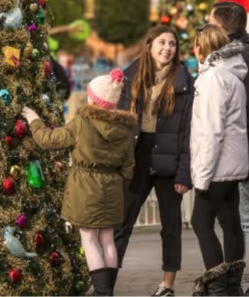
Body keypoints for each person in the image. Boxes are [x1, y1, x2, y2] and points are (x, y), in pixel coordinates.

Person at [22, 69, 136, 296]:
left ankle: (103, 293)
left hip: (86, 187)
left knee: (89, 238)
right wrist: (116, 184)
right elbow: (128, 167)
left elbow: (48, 140)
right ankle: (108, 290)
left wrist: (34, 120)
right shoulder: (125, 128)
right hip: (112, 188)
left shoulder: (83, 122)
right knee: (108, 240)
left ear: (94, 98)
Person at [114, 26, 194, 297]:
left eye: (172, 44)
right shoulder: (131, 76)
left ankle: (168, 285)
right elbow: (119, 120)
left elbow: (188, 132)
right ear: (149, 45)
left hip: (169, 158)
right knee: (122, 222)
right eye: (162, 42)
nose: (167, 48)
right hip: (139, 155)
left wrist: (185, 173)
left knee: (170, 226)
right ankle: (106, 284)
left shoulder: (183, 80)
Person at [209, 1, 249, 296]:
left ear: (221, 27)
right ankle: (235, 275)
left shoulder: (243, 57)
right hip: (231, 151)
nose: (206, 26)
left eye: (210, 22)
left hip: (242, 152)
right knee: (231, 217)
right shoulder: (234, 54)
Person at [190, 24, 249, 296]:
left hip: (216, 168)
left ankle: (218, 287)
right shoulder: (233, 75)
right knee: (230, 222)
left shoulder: (212, 78)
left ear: (201, 48)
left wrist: (201, 176)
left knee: (201, 222)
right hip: (233, 166)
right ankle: (233, 285)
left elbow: (211, 130)